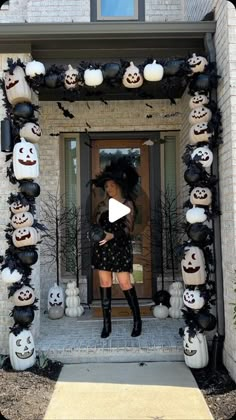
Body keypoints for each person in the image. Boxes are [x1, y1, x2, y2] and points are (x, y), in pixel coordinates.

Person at [91, 157, 142, 339]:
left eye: (111, 186)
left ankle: (137, 320)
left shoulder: (128, 204)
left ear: (119, 185)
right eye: (106, 187)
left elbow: (128, 230)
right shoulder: (103, 205)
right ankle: (107, 324)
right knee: (105, 283)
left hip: (120, 247)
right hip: (103, 248)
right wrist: (98, 235)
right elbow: (96, 226)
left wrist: (112, 235)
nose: (108, 189)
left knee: (124, 283)